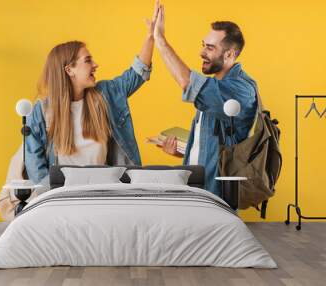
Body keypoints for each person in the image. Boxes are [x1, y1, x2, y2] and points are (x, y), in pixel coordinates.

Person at [24, 2, 160, 188]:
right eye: (88, 60)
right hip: (62, 197)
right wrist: (53, 199)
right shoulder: (42, 111)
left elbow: (137, 73)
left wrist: (152, 37)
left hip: (105, 192)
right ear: (69, 70)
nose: (95, 64)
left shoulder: (105, 95)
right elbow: (36, 168)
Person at [153, 3, 257, 197]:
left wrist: (160, 40)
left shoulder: (241, 90)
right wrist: (182, 152)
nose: (201, 53)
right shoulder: (214, 87)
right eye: (203, 45)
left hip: (216, 196)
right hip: (196, 189)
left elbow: (186, 82)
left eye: (210, 48)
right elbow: (210, 147)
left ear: (229, 54)